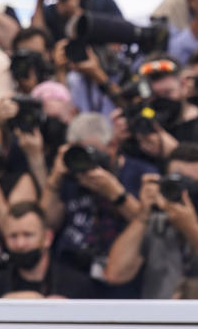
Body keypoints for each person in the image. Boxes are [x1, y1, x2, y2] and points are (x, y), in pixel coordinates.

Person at [104, 143, 198, 298]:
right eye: (177, 183)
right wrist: (143, 215)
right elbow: (115, 275)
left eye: (194, 184)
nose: (185, 194)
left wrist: (191, 229)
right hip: (161, 318)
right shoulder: (154, 220)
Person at [39, 113, 154, 298]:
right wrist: (55, 178)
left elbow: (148, 224)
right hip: (70, 275)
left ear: (113, 146)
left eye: (92, 151)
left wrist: (115, 194)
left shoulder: (141, 174)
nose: (85, 159)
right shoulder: (69, 174)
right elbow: (47, 223)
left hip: (121, 278)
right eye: (79, 152)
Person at [0, 202, 58, 298]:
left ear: (47, 238)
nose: (20, 244)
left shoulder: (74, 282)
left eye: (28, 235)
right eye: (13, 236)